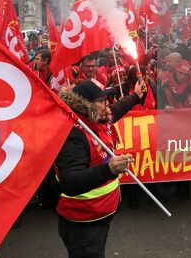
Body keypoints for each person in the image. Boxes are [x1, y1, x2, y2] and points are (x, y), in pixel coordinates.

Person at [55, 79, 146, 257]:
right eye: (102, 100)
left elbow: (117, 109)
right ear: (87, 106)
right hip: (83, 223)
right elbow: (69, 182)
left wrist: (135, 96)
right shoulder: (74, 136)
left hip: (99, 216)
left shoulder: (97, 117)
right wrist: (108, 170)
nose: (108, 104)